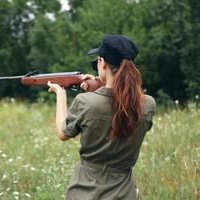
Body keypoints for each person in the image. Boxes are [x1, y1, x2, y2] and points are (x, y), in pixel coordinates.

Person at [47, 35, 156, 200]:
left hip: (85, 190)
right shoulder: (147, 104)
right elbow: (118, 101)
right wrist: (101, 85)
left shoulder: (86, 102)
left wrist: (60, 94)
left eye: (97, 60)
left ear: (103, 63)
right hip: (124, 192)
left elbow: (63, 133)